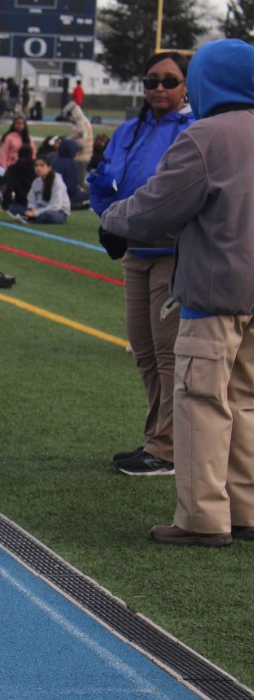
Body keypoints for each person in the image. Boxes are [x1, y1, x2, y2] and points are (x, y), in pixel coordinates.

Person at [99, 38, 254, 546]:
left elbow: (158, 205)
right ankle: (246, 508)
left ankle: (201, 519)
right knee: (245, 402)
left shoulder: (206, 137)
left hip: (214, 292)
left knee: (201, 400)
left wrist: (112, 221)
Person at [91, 51, 193, 477]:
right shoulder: (129, 130)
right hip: (135, 250)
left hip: (174, 252)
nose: (159, 88)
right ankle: (157, 438)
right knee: (144, 350)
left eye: (169, 81)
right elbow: (105, 180)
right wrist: (110, 218)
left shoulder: (193, 129)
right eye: (151, 81)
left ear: (187, 85)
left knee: (168, 353)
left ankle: (167, 449)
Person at [23, 156, 70, 223]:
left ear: (49, 167)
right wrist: (33, 208)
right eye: (36, 166)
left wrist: (36, 213)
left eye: (42, 165)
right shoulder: (36, 181)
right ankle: (32, 217)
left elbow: (56, 206)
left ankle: (32, 218)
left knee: (49, 216)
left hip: (57, 211)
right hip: (39, 208)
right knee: (16, 207)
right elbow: (31, 198)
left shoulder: (57, 182)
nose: (38, 168)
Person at [0, 145, 37, 216]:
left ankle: (26, 214)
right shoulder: (36, 169)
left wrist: (4, 206)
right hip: (37, 204)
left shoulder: (13, 169)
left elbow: (8, 189)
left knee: (12, 208)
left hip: (21, 202)